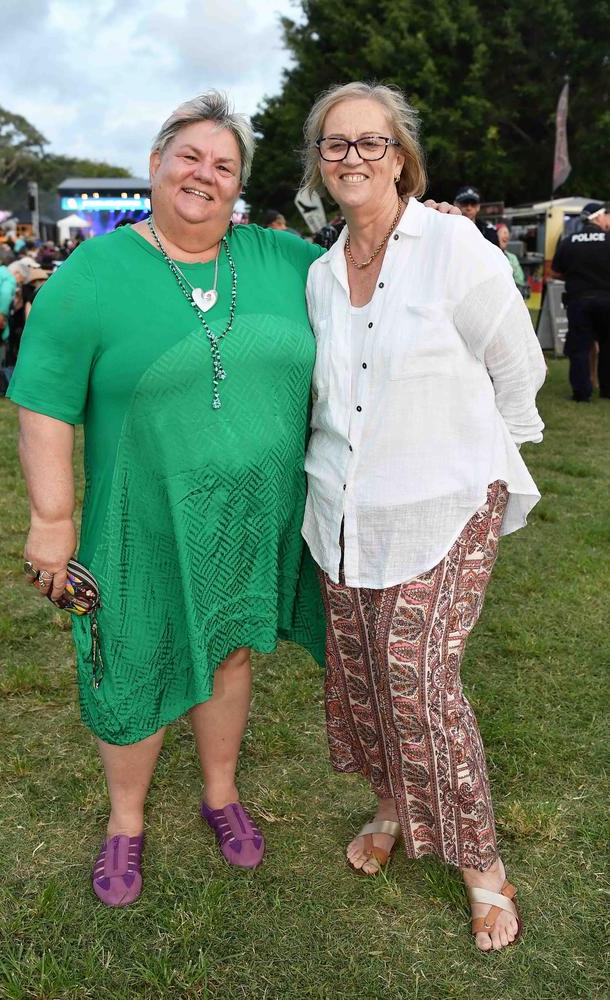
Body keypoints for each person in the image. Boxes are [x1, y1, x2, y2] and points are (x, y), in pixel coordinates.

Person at [7, 90, 332, 908]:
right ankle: (126, 823)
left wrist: (420, 219)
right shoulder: (94, 272)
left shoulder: (282, 262)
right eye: (189, 156)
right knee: (141, 651)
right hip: (140, 514)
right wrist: (52, 519)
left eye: (224, 165)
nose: (204, 174)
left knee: (227, 649)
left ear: (239, 187)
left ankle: (220, 796)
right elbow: (44, 400)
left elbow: (376, 269)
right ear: (156, 164)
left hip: (250, 514)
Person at [301, 81, 546, 951]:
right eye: (336, 145)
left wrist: (485, 461)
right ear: (319, 162)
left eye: (371, 143)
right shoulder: (321, 274)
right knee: (363, 681)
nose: (353, 158)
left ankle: (484, 870)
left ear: (400, 156)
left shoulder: (455, 246)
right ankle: (392, 809)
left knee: (417, 683)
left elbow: (518, 371)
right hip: (342, 512)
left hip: (446, 501)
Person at [551, 201, 610, 401]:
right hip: (606, 300)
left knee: (580, 349)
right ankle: (607, 389)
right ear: (598, 217)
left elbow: (555, 271)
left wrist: (576, 278)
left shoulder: (569, 241)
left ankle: (582, 393)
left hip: (579, 301)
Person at [496, 221, 528, 294]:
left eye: (507, 233)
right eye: (503, 232)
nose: (507, 236)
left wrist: (512, 272)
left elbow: (521, 280)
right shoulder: (490, 255)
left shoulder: (512, 257)